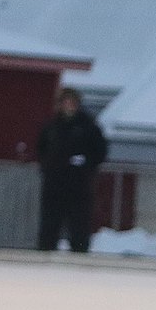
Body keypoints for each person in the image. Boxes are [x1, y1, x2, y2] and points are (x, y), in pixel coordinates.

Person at [36, 86, 108, 252]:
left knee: (79, 228)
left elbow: (100, 152)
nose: (69, 106)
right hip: (54, 187)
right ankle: (43, 258)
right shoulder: (51, 127)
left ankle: (80, 261)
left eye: (72, 102)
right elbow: (41, 150)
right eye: (66, 102)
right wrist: (49, 167)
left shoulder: (88, 127)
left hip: (79, 188)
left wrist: (85, 165)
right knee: (49, 227)